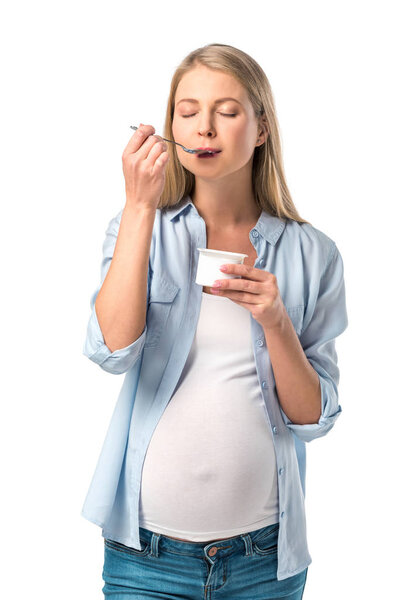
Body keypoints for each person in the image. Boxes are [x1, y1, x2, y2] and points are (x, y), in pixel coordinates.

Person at [81, 43, 348, 599]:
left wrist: (276, 322)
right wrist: (138, 207)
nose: (205, 127)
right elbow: (112, 350)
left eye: (227, 112)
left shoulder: (312, 254)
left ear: (260, 129)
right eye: (187, 111)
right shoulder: (140, 227)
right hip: (144, 558)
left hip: (264, 561)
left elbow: (314, 419)